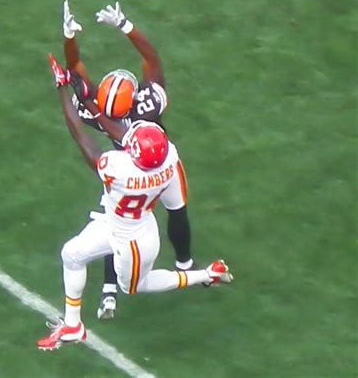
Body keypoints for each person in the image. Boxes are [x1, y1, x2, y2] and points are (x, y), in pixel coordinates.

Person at [36, 55, 233, 351]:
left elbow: (81, 135)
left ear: (135, 154)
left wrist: (65, 89)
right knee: (71, 254)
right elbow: (125, 135)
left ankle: (206, 274)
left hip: (134, 243)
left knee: (137, 286)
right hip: (123, 224)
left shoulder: (119, 169)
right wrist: (87, 100)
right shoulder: (166, 159)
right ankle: (73, 325)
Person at [62, 0, 196, 320]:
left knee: (116, 220)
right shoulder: (148, 104)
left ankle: (110, 290)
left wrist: (69, 39)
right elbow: (152, 60)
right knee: (176, 210)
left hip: (125, 171)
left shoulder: (98, 112)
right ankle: (185, 265)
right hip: (163, 163)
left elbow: (75, 74)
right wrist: (126, 25)